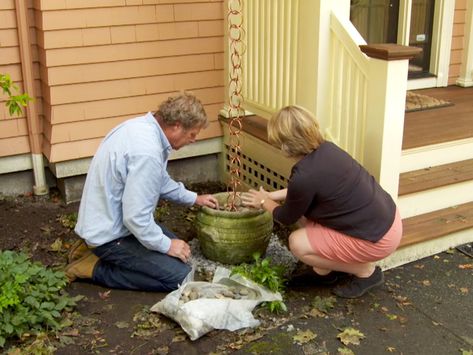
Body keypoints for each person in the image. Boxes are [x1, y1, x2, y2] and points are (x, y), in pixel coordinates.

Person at [241, 105, 402, 299]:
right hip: (388, 222)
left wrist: (263, 201)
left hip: (378, 239)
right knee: (305, 216)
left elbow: (285, 216)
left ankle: (365, 271)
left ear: (285, 145)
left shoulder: (304, 175)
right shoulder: (328, 149)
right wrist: (273, 196)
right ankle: (322, 271)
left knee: (297, 243)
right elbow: (308, 190)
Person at [66, 92, 219, 291]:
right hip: (112, 237)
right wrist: (166, 246)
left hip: (115, 224)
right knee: (181, 278)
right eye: (192, 134)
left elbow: (158, 180)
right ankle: (93, 267)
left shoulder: (142, 128)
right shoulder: (147, 152)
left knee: (181, 254)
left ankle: (92, 250)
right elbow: (136, 218)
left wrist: (194, 198)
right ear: (177, 126)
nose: (194, 140)